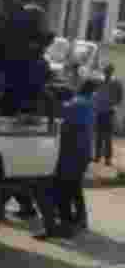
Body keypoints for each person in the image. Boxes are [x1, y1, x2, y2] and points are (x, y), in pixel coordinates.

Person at [37, 80, 97, 239]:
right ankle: (79, 219)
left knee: (63, 190)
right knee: (73, 187)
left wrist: (47, 97)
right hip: (81, 154)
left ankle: (66, 226)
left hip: (72, 155)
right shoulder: (87, 103)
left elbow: (58, 111)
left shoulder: (77, 104)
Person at [94, 64, 123, 165]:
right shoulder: (99, 81)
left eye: (108, 70)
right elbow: (96, 94)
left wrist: (113, 105)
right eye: (106, 70)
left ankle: (107, 158)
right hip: (99, 110)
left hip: (109, 111)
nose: (106, 72)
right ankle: (97, 156)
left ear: (111, 71)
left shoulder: (116, 82)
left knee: (107, 136)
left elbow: (119, 97)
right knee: (98, 135)